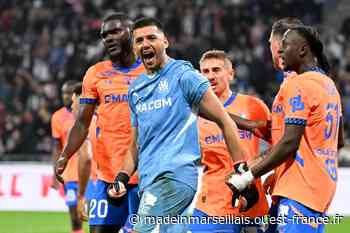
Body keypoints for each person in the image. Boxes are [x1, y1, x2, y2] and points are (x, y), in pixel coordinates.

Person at [108, 17, 248, 233]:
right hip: (150, 181)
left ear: (165, 42)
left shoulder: (183, 76)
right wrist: (122, 178)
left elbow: (225, 120)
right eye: (139, 40)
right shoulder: (135, 89)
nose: (145, 44)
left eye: (151, 38)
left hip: (175, 177)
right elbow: (136, 145)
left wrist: (241, 169)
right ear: (135, 48)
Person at [227, 25, 343, 233]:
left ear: (303, 50)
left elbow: (289, 142)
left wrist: (247, 176)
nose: (280, 50)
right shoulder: (329, 86)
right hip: (320, 188)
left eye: (285, 45)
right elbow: (338, 141)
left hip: (300, 190)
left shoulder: (298, 84)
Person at [54, 12, 144, 233]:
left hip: (145, 177)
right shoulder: (95, 74)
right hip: (105, 177)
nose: (109, 38)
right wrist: (65, 155)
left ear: (132, 33)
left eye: (115, 31)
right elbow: (82, 123)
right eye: (105, 35)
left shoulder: (151, 71)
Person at [188, 50, 271, 233]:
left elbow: (280, 144)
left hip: (251, 206)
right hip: (211, 208)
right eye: (205, 71)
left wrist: (273, 174)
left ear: (231, 74)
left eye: (216, 70)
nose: (210, 76)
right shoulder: (193, 115)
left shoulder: (254, 107)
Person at [51, 80, 83, 233]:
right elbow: (57, 148)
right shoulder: (57, 117)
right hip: (69, 175)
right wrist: (55, 173)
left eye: (70, 93)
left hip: (89, 174)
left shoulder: (86, 113)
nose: (66, 96)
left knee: (94, 218)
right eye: (64, 92)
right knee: (74, 217)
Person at [70, 82, 97, 222]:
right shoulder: (107, 119)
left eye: (73, 101)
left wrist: (81, 194)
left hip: (99, 185)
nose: (71, 106)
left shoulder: (85, 126)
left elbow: (86, 157)